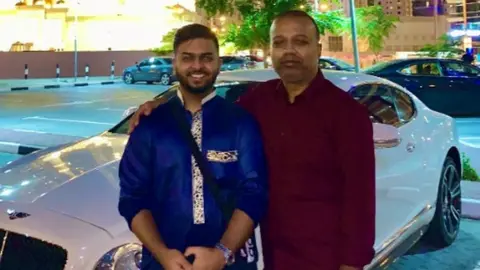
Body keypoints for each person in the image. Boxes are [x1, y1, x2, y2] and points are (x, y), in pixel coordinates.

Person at [129, 10, 375, 270]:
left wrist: (351, 264)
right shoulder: (260, 101)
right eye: (279, 43)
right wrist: (162, 106)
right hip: (274, 253)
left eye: (300, 42)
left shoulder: (347, 114)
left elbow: (360, 200)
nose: (289, 51)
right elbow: (207, 110)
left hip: (324, 256)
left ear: (319, 48)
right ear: (270, 50)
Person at [118, 23, 268, 270]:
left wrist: (222, 254)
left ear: (218, 63)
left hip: (231, 263)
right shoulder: (151, 125)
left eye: (206, 58)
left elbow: (254, 193)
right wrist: (163, 254)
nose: (197, 66)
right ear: (175, 62)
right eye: (188, 58)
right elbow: (132, 198)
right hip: (164, 263)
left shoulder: (240, 123)